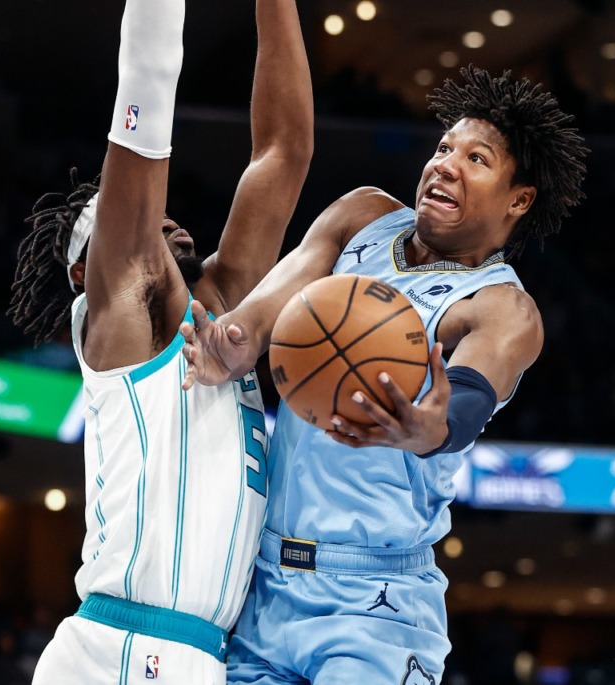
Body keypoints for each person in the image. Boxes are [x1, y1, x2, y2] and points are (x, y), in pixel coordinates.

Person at [179, 65, 588, 683]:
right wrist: (232, 345)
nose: (445, 164)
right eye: (444, 147)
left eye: (476, 159)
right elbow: (262, 315)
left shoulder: (501, 308)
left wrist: (428, 429)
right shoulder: (361, 217)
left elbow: (468, 401)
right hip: (260, 586)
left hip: (376, 601)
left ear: (519, 199)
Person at [8, 0, 313, 681]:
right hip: (121, 647)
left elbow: (284, 151)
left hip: (190, 655)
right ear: (88, 272)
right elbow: (145, 82)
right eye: (117, 221)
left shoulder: (226, 315)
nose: (161, 218)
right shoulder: (119, 316)